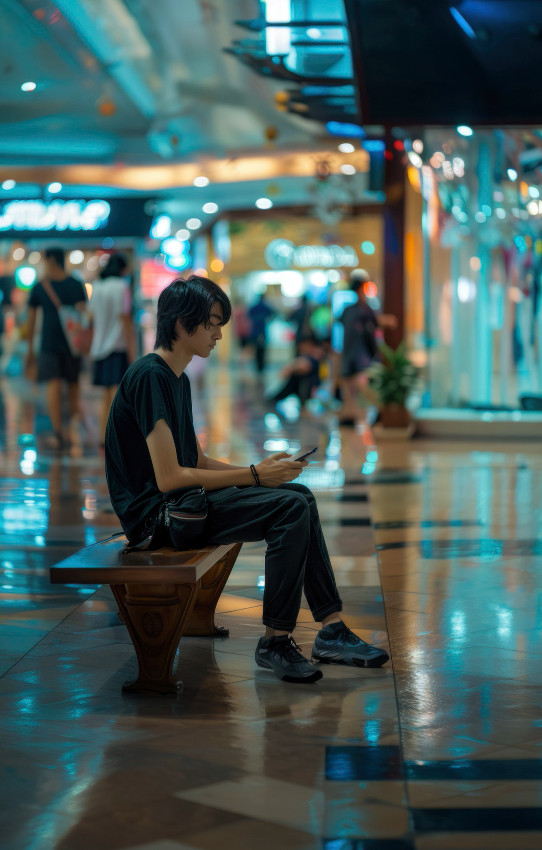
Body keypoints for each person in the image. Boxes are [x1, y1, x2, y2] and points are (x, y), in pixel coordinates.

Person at [105, 275, 388, 683]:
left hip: (182, 506)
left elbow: (195, 459)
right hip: (158, 520)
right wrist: (255, 476)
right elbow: (168, 478)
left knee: (300, 497)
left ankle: (331, 628)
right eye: (212, 323)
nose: (220, 333)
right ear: (183, 325)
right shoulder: (151, 375)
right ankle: (275, 640)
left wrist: (264, 471)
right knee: (290, 508)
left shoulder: (175, 378)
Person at [26, 247, 87, 449]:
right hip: (73, 344)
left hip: (49, 342)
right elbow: (83, 316)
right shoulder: (76, 284)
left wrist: (29, 350)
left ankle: (58, 431)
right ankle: (70, 429)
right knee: (73, 385)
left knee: (52, 385)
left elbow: (31, 321)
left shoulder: (40, 286)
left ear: (52, 260)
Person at [88, 253, 136, 444]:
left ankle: (103, 436)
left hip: (99, 347)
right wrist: (132, 352)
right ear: (122, 269)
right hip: (117, 346)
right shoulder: (122, 286)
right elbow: (124, 319)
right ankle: (116, 438)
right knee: (117, 397)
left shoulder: (97, 286)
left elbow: (90, 318)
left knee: (105, 397)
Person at [336, 270, 379, 426]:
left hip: (352, 353)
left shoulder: (350, 310)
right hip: (357, 354)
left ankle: (352, 413)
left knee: (354, 384)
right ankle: (352, 413)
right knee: (356, 384)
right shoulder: (362, 309)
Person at [268, 334, 327, 407]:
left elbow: (304, 365)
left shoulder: (313, 358)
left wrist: (288, 369)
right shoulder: (314, 357)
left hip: (314, 394)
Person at [248, 292, 275, 372]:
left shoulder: (254, 306)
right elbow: (273, 313)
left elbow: (249, 314)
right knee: (262, 349)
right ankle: (261, 366)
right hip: (262, 331)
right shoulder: (265, 306)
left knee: (257, 349)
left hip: (255, 331)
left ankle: (258, 365)